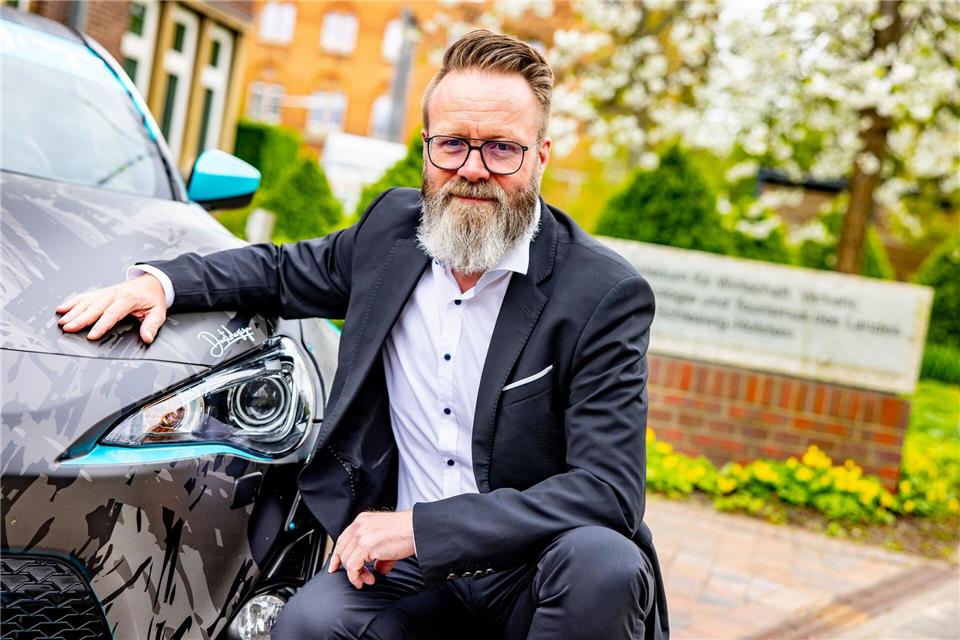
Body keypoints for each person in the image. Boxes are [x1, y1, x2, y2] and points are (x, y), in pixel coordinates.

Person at [56, 30, 668, 640]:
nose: (472, 170)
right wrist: (161, 285)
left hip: (535, 571)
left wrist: (421, 528)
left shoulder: (601, 294)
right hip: (411, 574)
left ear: (541, 154)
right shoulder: (391, 233)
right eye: (452, 144)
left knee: (603, 565)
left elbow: (607, 491)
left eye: (501, 149)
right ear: (426, 147)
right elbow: (277, 270)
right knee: (313, 621)